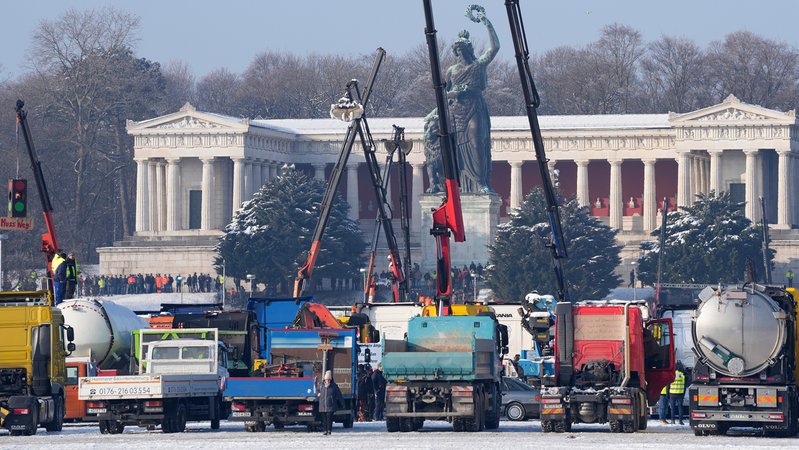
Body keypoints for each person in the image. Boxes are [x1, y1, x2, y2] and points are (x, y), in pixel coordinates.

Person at [444, 6, 499, 193]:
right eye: (457, 51)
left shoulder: (478, 64)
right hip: (456, 111)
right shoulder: (451, 71)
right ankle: (459, 184)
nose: (460, 54)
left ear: (468, 49)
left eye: (462, 50)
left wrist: (487, 23)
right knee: (456, 149)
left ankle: (480, 182)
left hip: (474, 107)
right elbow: (444, 93)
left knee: (476, 143)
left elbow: (495, 48)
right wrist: (453, 94)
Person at [318, 370, 343, 436]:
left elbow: (339, 395)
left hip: (330, 405)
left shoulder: (334, 386)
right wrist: (318, 394)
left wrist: (340, 403)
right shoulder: (321, 386)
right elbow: (317, 391)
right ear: (324, 380)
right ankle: (324, 430)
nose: (327, 381)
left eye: (328, 380)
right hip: (322, 405)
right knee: (324, 419)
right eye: (326, 380)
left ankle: (329, 430)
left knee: (329, 418)